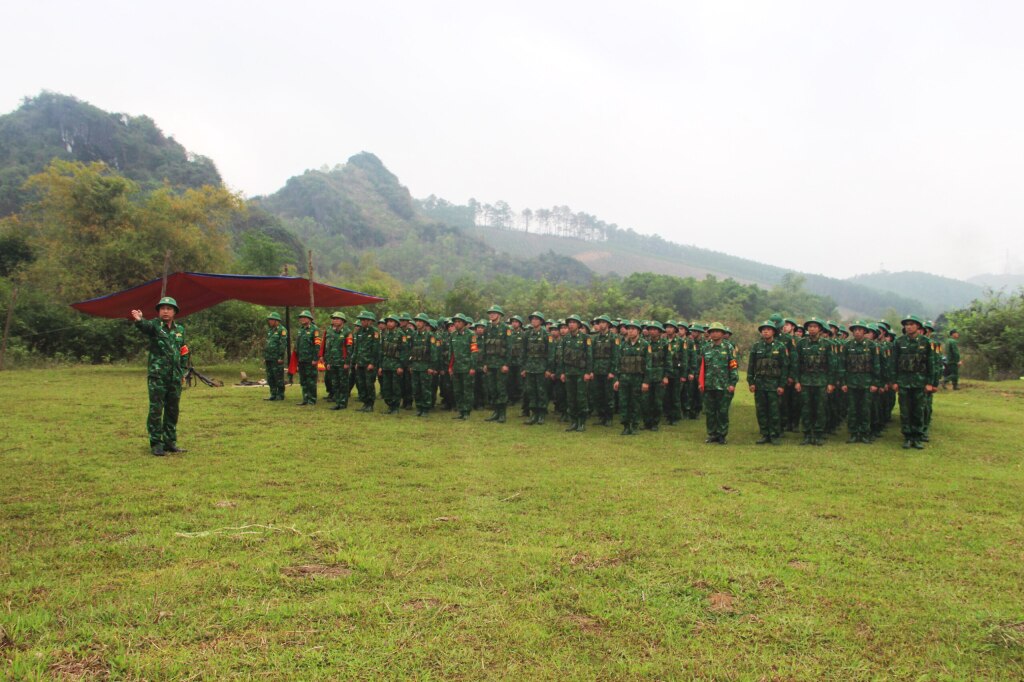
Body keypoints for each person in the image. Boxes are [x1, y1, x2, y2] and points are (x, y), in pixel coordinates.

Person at [131, 296, 189, 456]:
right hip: (158, 376)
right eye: (162, 308)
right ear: (158, 311)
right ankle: (156, 443)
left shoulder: (180, 330)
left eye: (169, 308)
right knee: (156, 409)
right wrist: (139, 320)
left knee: (172, 410)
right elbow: (145, 326)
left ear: (174, 312)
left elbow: (183, 350)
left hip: (175, 377)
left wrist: (183, 370)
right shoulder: (155, 326)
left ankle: (170, 442)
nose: (165, 311)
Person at [893, 315, 935, 449]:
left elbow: (931, 364)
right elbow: (893, 363)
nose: (908, 327)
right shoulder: (899, 342)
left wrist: (930, 383)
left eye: (911, 324)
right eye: (906, 324)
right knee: (905, 411)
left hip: (919, 382)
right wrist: (894, 381)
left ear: (918, 326)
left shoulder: (926, 342)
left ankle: (917, 437)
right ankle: (907, 436)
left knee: (918, 410)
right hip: (904, 382)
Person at [747, 320, 788, 444]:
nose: (765, 331)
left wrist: (782, 384)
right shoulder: (756, 346)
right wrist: (751, 382)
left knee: (774, 410)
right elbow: (751, 366)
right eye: (763, 329)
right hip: (759, 384)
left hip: (774, 385)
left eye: (768, 329)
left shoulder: (780, 347)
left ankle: (774, 435)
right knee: (761, 410)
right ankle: (765, 434)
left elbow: (784, 366)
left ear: (773, 332)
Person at [794, 318, 834, 446]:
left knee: (820, 409)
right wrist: (797, 381)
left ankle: (818, 434)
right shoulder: (801, 344)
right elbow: (796, 364)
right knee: (806, 409)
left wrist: (831, 383)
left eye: (815, 326)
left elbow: (832, 365)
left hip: (821, 382)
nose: (812, 329)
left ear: (820, 329)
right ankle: (806, 434)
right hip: (805, 382)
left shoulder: (827, 344)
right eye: (810, 326)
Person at [839, 321, 880, 444]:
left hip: (867, 383)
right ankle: (853, 433)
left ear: (864, 332)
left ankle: (864, 433)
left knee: (865, 409)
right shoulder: (847, 346)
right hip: (851, 383)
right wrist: (843, 382)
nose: (857, 331)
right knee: (852, 409)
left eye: (860, 329)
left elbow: (876, 366)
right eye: (855, 329)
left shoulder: (872, 346)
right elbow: (842, 365)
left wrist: (875, 383)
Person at [699, 322, 738, 444]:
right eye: (712, 331)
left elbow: (733, 366)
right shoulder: (705, 347)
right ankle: (712, 434)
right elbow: (701, 367)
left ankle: (722, 435)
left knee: (722, 411)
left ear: (722, 333)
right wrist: (700, 382)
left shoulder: (728, 347)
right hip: (709, 385)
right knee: (710, 411)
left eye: (717, 331)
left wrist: (732, 383)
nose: (714, 333)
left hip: (724, 385)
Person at [613, 320, 651, 436]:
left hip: (637, 379)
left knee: (636, 403)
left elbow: (648, 365)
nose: (630, 331)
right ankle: (625, 426)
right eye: (628, 329)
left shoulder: (645, 345)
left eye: (633, 329)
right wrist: (617, 379)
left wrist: (646, 382)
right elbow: (618, 363)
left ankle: (634, 426)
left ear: (638, 331)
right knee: (624, 403)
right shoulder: (623, 345)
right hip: (624, 379)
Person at [559, 315, 593, 432]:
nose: (571, 324)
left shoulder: (585, 337)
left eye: (573, 322)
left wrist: (588, 372)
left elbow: (589, 356)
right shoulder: (565, 338)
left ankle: (582, 423)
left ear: (579, 325)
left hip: (581, 373)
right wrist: (563, 372)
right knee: (571, 398)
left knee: (581, 399)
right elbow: (563, 356)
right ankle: (573, 422)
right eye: (569, 322)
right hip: (569, 373)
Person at [521, 311, 553, 425]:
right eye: (532, 319)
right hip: (530, 367)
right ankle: (533, 414)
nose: (533, 321)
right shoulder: (527, 334)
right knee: (531, 391)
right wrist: (523, 368)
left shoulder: (546, 335)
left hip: (541, 368)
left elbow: (550, 353)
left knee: (541, 391)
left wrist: (549, 369)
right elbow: (523, 352)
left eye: (536, 319)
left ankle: (541, 414)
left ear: (541, 321)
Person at [481, 305, 512, 423]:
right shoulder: (487, 328)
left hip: (500, 364)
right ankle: (496, 412)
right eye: (490, 313)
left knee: (501, 389)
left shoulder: (505, 329)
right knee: (492, 389)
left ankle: (502, 414)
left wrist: (506, 364)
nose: (491, 315)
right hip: (490, 364)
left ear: (499, 315)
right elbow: (484, 346)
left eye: (494, 313)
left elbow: (509, 348)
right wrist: (484, 363)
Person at [447, 313, 478, 419]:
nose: (456, 324)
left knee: (467, 391)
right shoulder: (453, 335)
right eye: (455, 322)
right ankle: (460, 411)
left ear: (464, 323)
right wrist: (450, 367)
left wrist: (473, 367)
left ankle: (467, 412)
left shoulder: (471, 335)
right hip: (456, 368)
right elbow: (451, 353)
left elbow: (474, 352)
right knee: (457, 391)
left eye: (459, 322)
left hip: (467, 368)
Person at [409, 313, 439, 417]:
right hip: (416, 366)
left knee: (425, 388)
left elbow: (434, 353)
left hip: (425, 367)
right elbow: (411, 351)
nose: (418, 323)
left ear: (425, 323)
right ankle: (419, 407)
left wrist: (431, 367)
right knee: (416, 389)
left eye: (420, 321)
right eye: (417, 321)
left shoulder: (430, 336)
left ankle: (425, 408)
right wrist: (411, 365)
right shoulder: (413, 335)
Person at [323, 312, 353, 410]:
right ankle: (337, 401)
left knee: (343, 383)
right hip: (333, 362)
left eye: (337, 319)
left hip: (342, 363)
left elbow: (350, 349)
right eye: (334, 318)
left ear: (342, 321)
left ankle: (343, 403)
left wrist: (347, 362)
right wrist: (328, 362)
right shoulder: (330, 332)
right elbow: (328, 348)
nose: (335, 320)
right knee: (335, 383)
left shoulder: (347, 332)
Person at [352, 311, 380, 412]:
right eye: (361, 320)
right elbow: (356, 348)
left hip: (369, 363)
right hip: (360, 363)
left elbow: (376, 349)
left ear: (370, 321)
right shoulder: (359, 332)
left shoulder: (374, 332)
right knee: (361, 384)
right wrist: (355, 362)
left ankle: (370, 404)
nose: (362, 322)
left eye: (364, 320)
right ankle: (364, 403)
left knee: (369, 384)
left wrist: (372, 363)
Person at [294, 310, 320, 406]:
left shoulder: (315, 330)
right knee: (303, 380)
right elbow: (298, 345)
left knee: (311, 381)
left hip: (310, 360)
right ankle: (305, 399)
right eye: (301, 317)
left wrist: (315, 359)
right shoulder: (301, 330)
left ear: (309, 319)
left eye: (304, 317)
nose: (302, 319)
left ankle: (312, 399)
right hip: (301, 359)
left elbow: (317, 346)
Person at [263, 312, 288, 401]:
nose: (269, 321)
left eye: (271, 320)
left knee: (278, 377)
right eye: (269, 320)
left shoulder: (282, 330)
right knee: (270, 377)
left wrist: (281, 357)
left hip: (277, 358)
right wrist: (265, 357)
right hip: (269, 357)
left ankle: (280, 395)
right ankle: (273, 394)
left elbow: (283, 345)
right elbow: (268, 344)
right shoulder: (270, 330)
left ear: (276, 321)